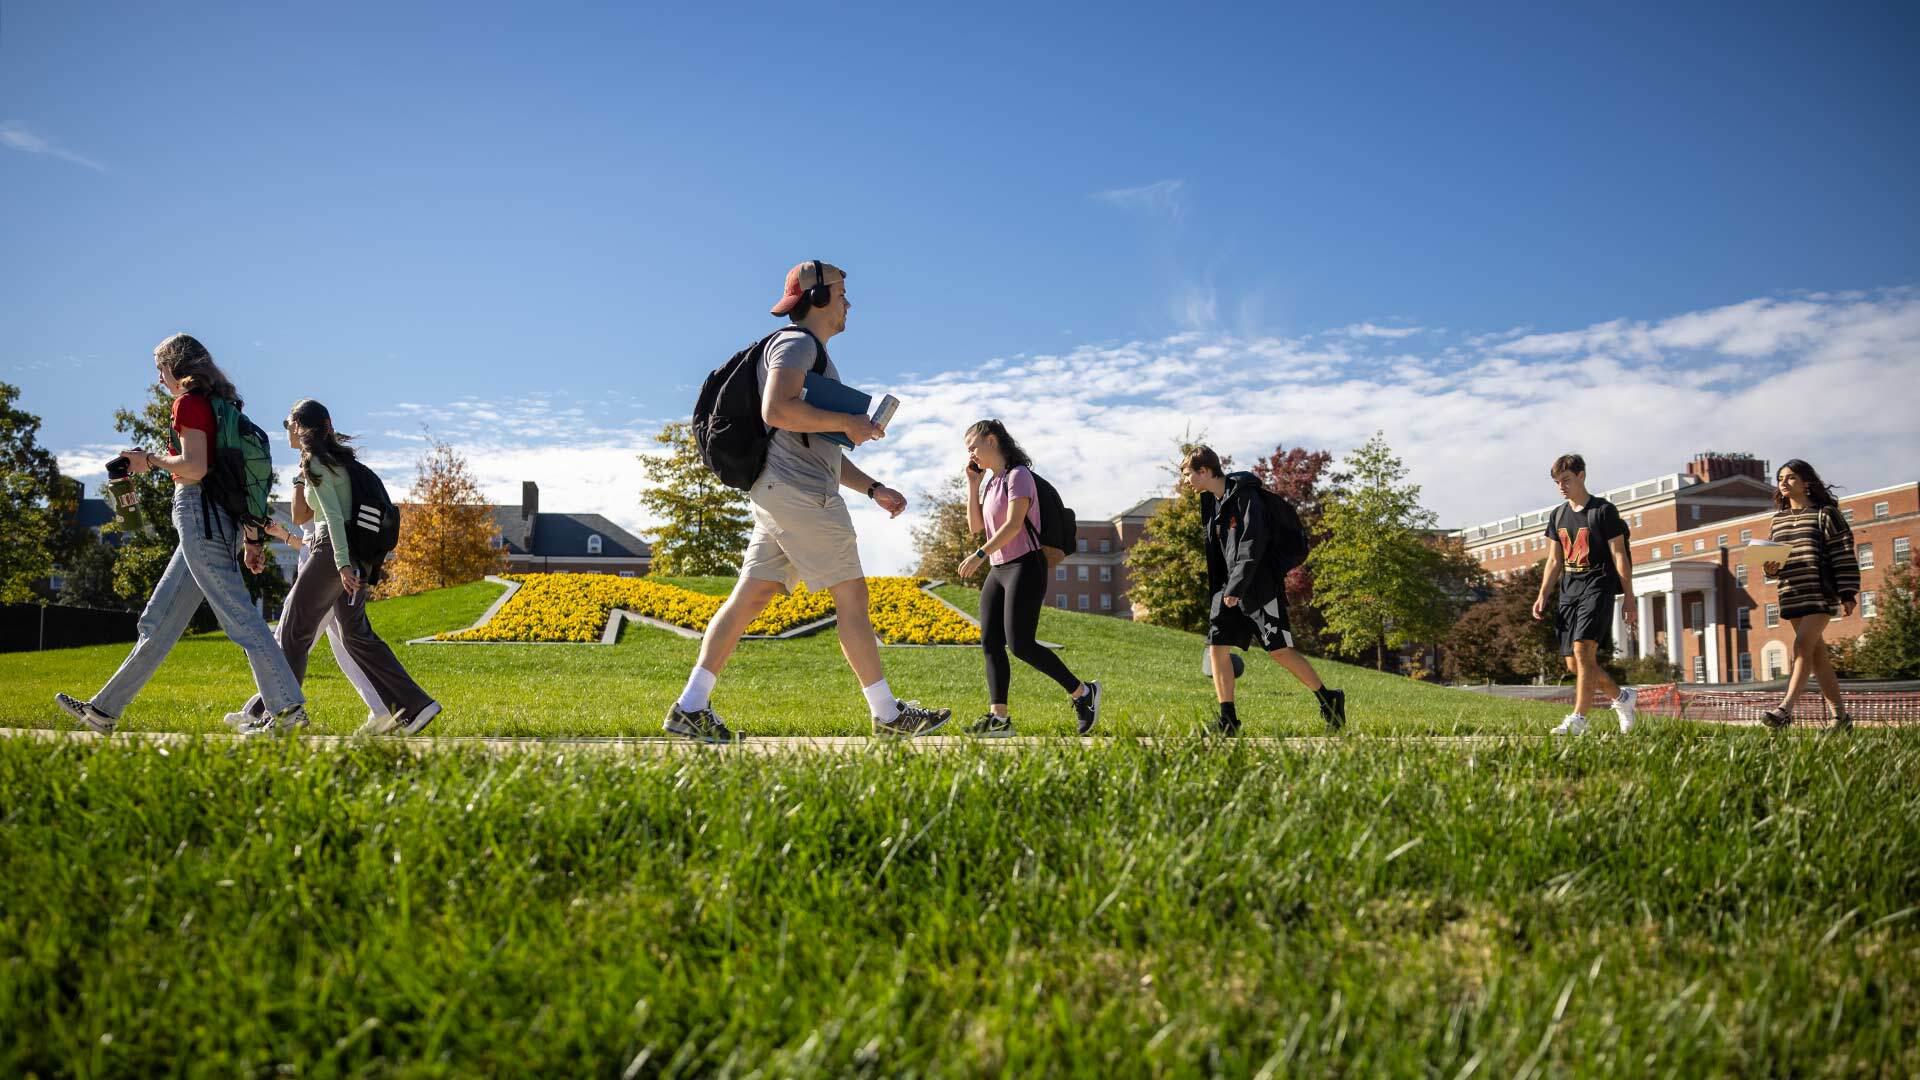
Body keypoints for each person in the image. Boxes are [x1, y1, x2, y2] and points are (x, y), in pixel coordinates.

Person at [663, 261, 950, 741]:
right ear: (817, 299)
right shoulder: (797, 345)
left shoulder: (810, 355)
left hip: (782, 494)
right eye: (841, 294)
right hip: (801, 497)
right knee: (852, 597)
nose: (848, 304)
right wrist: (851, 425)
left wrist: (874, 488)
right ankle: (887, 714)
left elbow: (820, 449)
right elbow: (776, 409)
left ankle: (690, 707)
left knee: (748, 599)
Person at [54, 334, 307, 734]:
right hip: (215, 521)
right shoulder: (219, 404)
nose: (158, 378)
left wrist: (148, 461)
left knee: (241, 618)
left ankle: (288, 710)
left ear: (176, 365)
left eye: (160, 368)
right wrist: (251, 538)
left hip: (199, 516)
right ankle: (104, 712)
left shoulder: (188, 402)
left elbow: (195, 466)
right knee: (157, 621)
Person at [237, 399, 442, 737]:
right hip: (354, 553)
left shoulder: (314, 461)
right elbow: (320, 514)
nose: (285, 429)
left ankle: (284, 717)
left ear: (300, 427)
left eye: (287, 423)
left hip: (333, 552)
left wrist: (342, 564)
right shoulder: (340, 461)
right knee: (355, 635)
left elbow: (330, 516)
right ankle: (415, 706)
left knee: (294, 630)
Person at [1180, 445, 1344, 735]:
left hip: (1257, 587)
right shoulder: (1213, 503)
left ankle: (1329, 698)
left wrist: (1238, 586)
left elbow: (1252, 544)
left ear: (1204, 471)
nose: (1185, 481)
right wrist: (1223, 590)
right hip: (1226, 590)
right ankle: (1228, 719)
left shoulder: (1246, 497)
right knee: (1217, 648)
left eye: (1188, 474)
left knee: (1279, 651)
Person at [956, 420, 1100, 737]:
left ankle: (1083, 693)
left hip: (1024, 565)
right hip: (999, 568)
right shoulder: (992, 483)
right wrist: (973, 485)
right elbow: (976, 527)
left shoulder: (1018, 476)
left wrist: (979, 555)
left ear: (991, 440)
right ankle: (1000, 718)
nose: (970, 454)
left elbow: (1013, 525)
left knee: (1021, 644)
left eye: (973, 446)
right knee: (991, 642)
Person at [223, 484, 392, 733]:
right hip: (318, 566)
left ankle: (259, 711)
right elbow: (309, 540)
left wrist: (299, 481)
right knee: (343, 649)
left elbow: (299, 515)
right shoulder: (324, 478)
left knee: (288, 643)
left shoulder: (314, 473)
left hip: (323, 572)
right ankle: (382, 710)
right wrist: (283, 535)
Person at [1531, 453, 1639, 735]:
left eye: (1566, 480)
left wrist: (1629, 596)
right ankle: (1622, 697)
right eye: (1557, 482)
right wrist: (1543, 594)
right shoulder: (1557, 515)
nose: (1561, 486)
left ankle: (1578, 719)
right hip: (1570, 589)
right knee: (1575, 663)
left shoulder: (1604, 511)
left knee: (1583, 651)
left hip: (1598, 584)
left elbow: (1619, 555)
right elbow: (1554, 561)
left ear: (1581, 476)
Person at [1759, 459, 1859, 731]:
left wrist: (1848, 591)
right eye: (1781, 478)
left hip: (1819, 593)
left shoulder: (1825, 514)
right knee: (1817, 656)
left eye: (1791, 477)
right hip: (1791, 593)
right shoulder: (1777, 521)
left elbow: (1843, 553)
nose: (1784, 482)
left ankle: (1785, 709)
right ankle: (1841, 717)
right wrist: (1770, 568)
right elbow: (1773, 566)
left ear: (1806, 483)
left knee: (1802, 646)